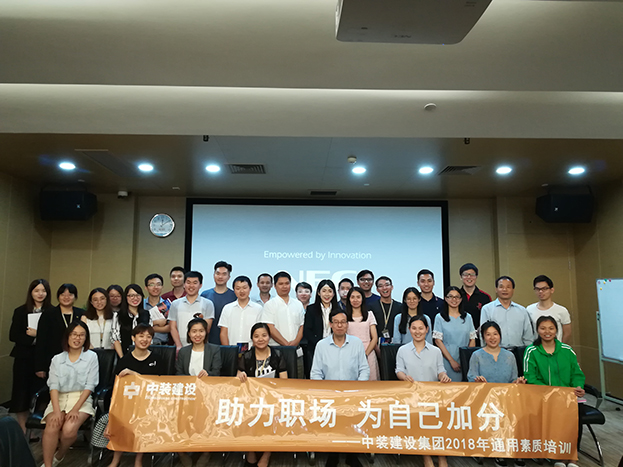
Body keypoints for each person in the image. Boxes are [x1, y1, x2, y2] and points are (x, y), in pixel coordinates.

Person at [523, 316, 584, 467]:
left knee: (571, 418)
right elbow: (530, 377)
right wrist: (552, 392)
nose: (547, 332)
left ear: (557, 330)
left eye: (551, 328)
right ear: (537, 330)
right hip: (543, 398)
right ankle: (559, 456)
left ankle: (571, 456)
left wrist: (578, 386)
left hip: (568, 398)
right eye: (543, 328)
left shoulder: (567, 350)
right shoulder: (531, 351)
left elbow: (577, 373)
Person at [311, 309, 369, 467]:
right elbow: (315, 373)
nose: (339, 325)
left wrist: (358, 388)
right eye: (336, 322)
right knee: (332, 422)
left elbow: (364, 369)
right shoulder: (321, 345)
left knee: (353, 422)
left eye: (343, 322)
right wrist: (325, 392)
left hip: (353, 393)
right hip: (329, 396)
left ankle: (352, 455)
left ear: (347, 324)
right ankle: (333, 454)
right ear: (330, 324)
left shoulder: (356, 343)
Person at [106, 324, 165, 467]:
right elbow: (116, 389)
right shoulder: (124, 360)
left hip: (150, 404)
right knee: (121, 418)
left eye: (148, 337)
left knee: (144, 420)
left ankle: (138, 459)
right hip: (127, 404)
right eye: (141, 336)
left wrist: (135, 375)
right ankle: (116, 459)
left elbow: (161, 384)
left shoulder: (157, 359)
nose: (145, 339)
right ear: (133, 338)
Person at [41, 322, 98, 467]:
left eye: (81, 335)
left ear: (86, 338)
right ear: (67, 337)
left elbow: (90, 386)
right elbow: (53, 386)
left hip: (81, 399)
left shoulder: (92, 357)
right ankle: (48, 464)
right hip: (58, 398)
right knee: (52, 426)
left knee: (69, 430)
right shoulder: (57, 359)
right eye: (74, 334)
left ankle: (59, 455)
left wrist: (75, 409)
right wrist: (56, 411)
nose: (77, 338)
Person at [395, 315, 450, 467]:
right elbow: (399, 370)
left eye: (421, 328)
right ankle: (426, 456)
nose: (417, 331)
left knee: (439, 420)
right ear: (409, 330)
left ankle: (441, 455)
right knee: (420, 420)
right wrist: (404, 377)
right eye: (414, 328)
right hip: (411, 396)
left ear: (427, 330)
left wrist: (443, 377)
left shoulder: (435, 351)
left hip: (433, 396)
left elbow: (441, 371)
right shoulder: (402, 350)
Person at [238, 323, 288, 467]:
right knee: (245, 412)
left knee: (274, 414)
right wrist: (240, 376)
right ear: (252, 339)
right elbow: (238, 380)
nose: (260, 339)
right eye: (256, 336)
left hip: (273, 398)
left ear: (269, 337)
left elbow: (284, 381)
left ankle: (267, 453)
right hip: (251, 398)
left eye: (264, 335)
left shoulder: (277, 355)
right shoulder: (246, 356)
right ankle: (250, 449)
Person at [9, 279, 52, 432]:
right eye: (36, 291)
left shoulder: (52, 312)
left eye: (43, 291)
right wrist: (32, 338)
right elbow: (13, 335)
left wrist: (38, 335)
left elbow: (55, 337)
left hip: (43, 359)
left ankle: (37, 429)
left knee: (42, 394)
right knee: (21, 394)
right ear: (31, 292)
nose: (40, 294)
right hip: (24, 358)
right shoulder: (20, 311)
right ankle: (23, 430)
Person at [35, 283, 84, 379]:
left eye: (70, 295)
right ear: (58, 297)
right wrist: (40, 367)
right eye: (63, 295)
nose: (66, 297)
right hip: (53, 358)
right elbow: (41, 340)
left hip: (77, 359)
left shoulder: (81, 313)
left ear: (75, 297)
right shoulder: (49, 314)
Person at [433, 286, 476, 382]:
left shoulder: (468, 317)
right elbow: (438, 341)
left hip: (465, 360)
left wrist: (468, 359)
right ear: (445, 298)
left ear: (461, 299)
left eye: (457, 297)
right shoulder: (440, 317)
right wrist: (451, 361)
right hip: (446, 360)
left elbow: (472, 339)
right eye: (451, 296)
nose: (454, 299)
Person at [112, 284, 165, 357]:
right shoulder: (118, 315)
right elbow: (116, 339)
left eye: (138, 295)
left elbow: (150, 336)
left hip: (144, 356)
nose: (135, 298)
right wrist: (122, 358)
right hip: (125, 354)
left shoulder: (147, 314)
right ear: (126, 297)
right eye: (131, 295)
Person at [481, 276, 534, 348]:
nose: (504, 289)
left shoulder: (522, 310)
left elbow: (528, 336)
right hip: (496, 351)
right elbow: (483, 334)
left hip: (518, 351)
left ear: (513, 290)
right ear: (496, 289)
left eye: (508, 287)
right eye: (501, 287)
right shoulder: (487, 309)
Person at [303, 279, 340, 378]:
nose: (327, 294)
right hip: (315, 348)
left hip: (335, 348)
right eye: (324, 291)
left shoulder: (338, 310)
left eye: (330, 291)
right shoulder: (311, 309)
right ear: (319, 293)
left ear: (334, 294)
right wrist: (320, 344)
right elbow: (307, 330)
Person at [169, 271, 215, 351]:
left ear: (200, 285)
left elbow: (206, 328)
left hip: (201, 347)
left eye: (195, 283)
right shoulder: (175, 304)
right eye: (188, 282)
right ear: (184, 284)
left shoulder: (208, 303)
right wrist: (178, 345)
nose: (191, 286)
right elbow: (172, 327)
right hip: (180, 347)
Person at [261, 272, 304, 347]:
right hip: (276, 348)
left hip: (296, 348)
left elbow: (302, 326)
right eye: (281, 284)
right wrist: (286, 345)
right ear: (275, 286)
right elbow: (270, 327)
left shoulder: (298, 304)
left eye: (287, 283)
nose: (284, 286)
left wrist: (295, 343)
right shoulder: (269, 305)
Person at [218, 276, 262, 349]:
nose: (241, 291)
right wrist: (228, 351)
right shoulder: (227, 308)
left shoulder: (258, 309)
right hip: (232, 350)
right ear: (234, 290)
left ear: (250, 289)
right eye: (238, 288)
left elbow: (260, 331)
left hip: (252, 350)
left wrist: (253, 350)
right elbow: (223, 333)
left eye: (244, 288)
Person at [345, 287, 379, 380]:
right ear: (348, 299)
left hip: (368, 352)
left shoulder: (369, 314)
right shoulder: (344, 316)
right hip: (350, 352)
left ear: (362, 299)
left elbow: (374, 338)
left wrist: (365, 354)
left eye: (358, 297)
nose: (355, 300)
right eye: (352, 297)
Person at [527, 275, 572, 344]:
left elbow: (567, 333)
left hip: (556, 348)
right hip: (537, 348)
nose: (541, 291)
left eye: (544, 288)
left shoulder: (562, 310)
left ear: (552, 290)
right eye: (537, 289)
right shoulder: (529, 310)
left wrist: (560, 347)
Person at [200, 261, 237, 345]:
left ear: (229, 277)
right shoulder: (205, 295)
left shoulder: (234, 296)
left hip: (229, 339)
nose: (220, 277)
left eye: (224, 274)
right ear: (213, 275)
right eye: (218, 273)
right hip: (208, 340)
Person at [368, 276, 401, 343]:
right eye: (381, 286)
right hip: (376, 343)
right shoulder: (371, 307)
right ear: (377, 290)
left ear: (392, 287)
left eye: (387, 285)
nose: (384, 288)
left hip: (396, 343)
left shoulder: (400, 306)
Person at [458, 263, 491, 330]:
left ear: (476, 277)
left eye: (472, 274)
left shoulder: (485, 297)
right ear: (461, 277)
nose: (469, 277)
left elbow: (488, 318)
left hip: (479, 333)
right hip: (459, 333)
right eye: (465, 274)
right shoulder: (456, 296)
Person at [144, 273, 172, 345]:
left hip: (162, 345)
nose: (155, 287)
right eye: (151, 285)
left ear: (162, 287)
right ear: (146, 288)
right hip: (143, 344)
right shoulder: (141, 304)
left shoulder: (167, 305)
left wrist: (148, 327)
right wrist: (156, 323)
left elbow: (170, 327)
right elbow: (137, 325)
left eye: (158, 284)